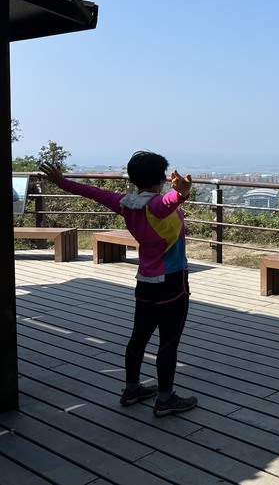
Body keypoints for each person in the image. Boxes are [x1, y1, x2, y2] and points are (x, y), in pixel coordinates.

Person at [39, 152, 198, 418]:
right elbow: (167, 203)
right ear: (160, 180)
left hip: (145, 281)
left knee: (139, 337)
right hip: (171, 282)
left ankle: (132, 389)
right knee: (169, 341)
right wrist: (180, 194)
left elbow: (91, 192)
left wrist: (62, 182)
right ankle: (166, 398)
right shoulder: (157, 205)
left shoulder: (126, 203)